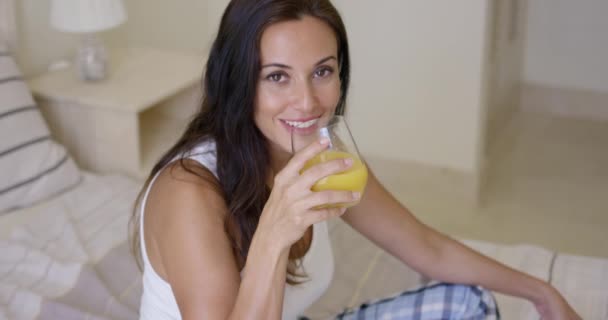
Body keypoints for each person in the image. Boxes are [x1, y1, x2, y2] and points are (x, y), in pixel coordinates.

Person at [130, 0, 582, 319]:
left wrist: (541, 292)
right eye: (277, 77)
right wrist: (273, 234)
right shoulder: (190, 192)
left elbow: (426, 247)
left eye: (322, 71)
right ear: (238, 82)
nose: (307, 102)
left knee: (469, 304)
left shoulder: (316, 154)